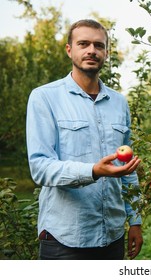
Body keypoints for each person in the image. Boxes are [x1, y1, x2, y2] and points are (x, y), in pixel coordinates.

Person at [26, 19, 143, 260]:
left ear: (106, 53)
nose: (91, 50)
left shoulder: (119, 103)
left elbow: (127, 167)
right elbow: (40, 168)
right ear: (70, 50)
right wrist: (93, 171)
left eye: (98, 45)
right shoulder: (44, 98)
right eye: (83, 43)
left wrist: (135, 220)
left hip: (112, 235)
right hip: (65, 237)